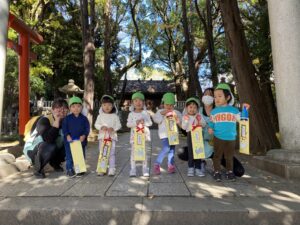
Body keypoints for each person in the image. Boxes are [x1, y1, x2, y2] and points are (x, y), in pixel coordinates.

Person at [177, 87, 245, 177]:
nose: (208, 96)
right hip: (200, 144)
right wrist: (180, 123)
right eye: (206, 94)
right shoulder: (197, 110)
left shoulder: (220, 111)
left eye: (211, 94)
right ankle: (200, 162)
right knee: (182, 152)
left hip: (218, 145)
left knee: (239, 171)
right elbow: (187, 127)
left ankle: (216, 162)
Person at [208, 83, 249, 182]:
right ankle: (216, 171)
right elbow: (211, 122)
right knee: (217, 156)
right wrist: (210, 128)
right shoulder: (214, 111)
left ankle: (229, 172)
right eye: (215, 97)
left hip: (231, 138)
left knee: (229, 156)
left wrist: (245, 110)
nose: (216, 99)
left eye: (219, 96)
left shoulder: (234, 110)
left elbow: (242, 120)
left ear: (227, 97)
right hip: (218, 136)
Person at [23, 98, 69, 178]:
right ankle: (38, 168)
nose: (61, 110)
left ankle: (55, 162)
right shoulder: (44, 120)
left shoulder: (66, 122)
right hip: (33, 150)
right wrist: (57, 120)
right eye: (58, 108)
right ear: (52, 110)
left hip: (48, 147)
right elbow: (48, 139)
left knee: (69, 143)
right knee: (51, 146)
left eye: (64, 108)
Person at [152, 92, 182, 175]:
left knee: (172, 150)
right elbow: (156, 119)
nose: (169, 107)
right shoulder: (160, 112)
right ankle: (157, 164)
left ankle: (170, 165)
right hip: (164, 134)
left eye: (171, 105)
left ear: (174, 105)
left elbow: (180, 121)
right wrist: (162, 114)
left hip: (173, 134)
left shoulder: (176, 112)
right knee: (166, 148)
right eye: (167, 104)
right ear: (163, 104)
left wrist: (176, 117)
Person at [62, 96, 90, 177]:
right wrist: (67, 135)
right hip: (70, 141)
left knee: (80, 155)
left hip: (81, 140)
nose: (76, 108)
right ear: (70, 108)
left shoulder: (84, 119)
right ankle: (69, 169)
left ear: (81, 107)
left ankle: (80, 169)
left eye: (78, 106)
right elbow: (64, 128)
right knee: (69, 156)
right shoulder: (67, 119)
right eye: (73, 106)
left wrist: (84, 135)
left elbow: (87, 128)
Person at [94, 95, 122, 176]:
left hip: (111, 138)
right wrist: (101, 127)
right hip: (102, 138)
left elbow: (119, 125)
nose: (107, 107)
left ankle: (111, 168)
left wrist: (113, 128)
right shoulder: (100, 116)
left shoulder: (115, 116)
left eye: (109, 105)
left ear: (113, 106)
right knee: (102, 152)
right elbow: (96, 124)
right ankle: (102, 168)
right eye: (104, 105)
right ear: (101, 106)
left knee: (111, 153)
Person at [126, 92, 152, 177]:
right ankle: (133, 169)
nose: (138, 103)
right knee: (133, 153)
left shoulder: (146, 113)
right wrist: (135, 123)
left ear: (143, 103)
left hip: (144, 137)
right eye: (136, 101)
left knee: (144, 152)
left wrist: (144, 122)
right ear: (132, 103)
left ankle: (145, 168)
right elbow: (128, 124)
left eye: (140, 101)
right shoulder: (131, 114)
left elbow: (150, 123)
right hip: (134, 137)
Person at [181, 97, 206, 177]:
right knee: (191, 152)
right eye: (190, 107)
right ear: (186, 108)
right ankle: (191, 168)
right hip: (190, 135)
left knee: (198, 152)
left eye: (195, 107)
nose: (192, 109)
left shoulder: (199, 116)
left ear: (197, 109)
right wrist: (186, 120)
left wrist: (200, 122)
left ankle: (198, 169)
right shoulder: (185, 117)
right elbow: (184, 128)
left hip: (198, 135)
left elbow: (204, 124)